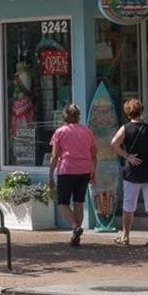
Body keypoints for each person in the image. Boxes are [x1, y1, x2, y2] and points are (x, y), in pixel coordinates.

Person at [110, 98, 148, 247]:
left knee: (128, 205)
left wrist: (127, 156)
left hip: (132, 172)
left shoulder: (125, 129)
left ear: (127, 113)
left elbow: (114, 144)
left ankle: (125, 236)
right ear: (141, 112)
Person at [47, 103, 97, 247]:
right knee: (79, 202)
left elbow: (55, 156)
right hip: (85, 170)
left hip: (67, 169)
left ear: (65, 117)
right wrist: (93, 172)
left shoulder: (60, 132)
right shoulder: (87, 131)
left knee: (62, 202)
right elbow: (94, 154)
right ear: (78, 117)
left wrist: (50, 175)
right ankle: (76, 235)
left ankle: (75, 227)